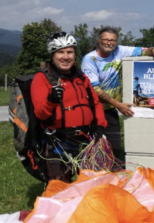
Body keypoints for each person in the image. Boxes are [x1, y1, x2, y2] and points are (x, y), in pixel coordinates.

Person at [81, 26, 154, 159]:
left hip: (110, 107)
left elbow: (143, 51)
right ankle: (92, 171)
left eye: (112, 40)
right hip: (92, 108)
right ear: (99, 40)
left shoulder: (119, 51)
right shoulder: (89, 59)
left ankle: (113, 170)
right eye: (105, 39)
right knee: (92, 143)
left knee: (115, 146)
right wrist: (119, 105)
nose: (109, 43)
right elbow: (95, 89)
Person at [30, 32, 107, 183]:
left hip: (85, 141)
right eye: (60, 52)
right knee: (60, 189)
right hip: (57, 142)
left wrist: (100, 126)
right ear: (52, 55)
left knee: (91, 185)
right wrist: (51, 100)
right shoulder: (42, 78)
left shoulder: (81, 78)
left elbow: (95, 104)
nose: (66, 57)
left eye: (70, 52)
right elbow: (40, 113)